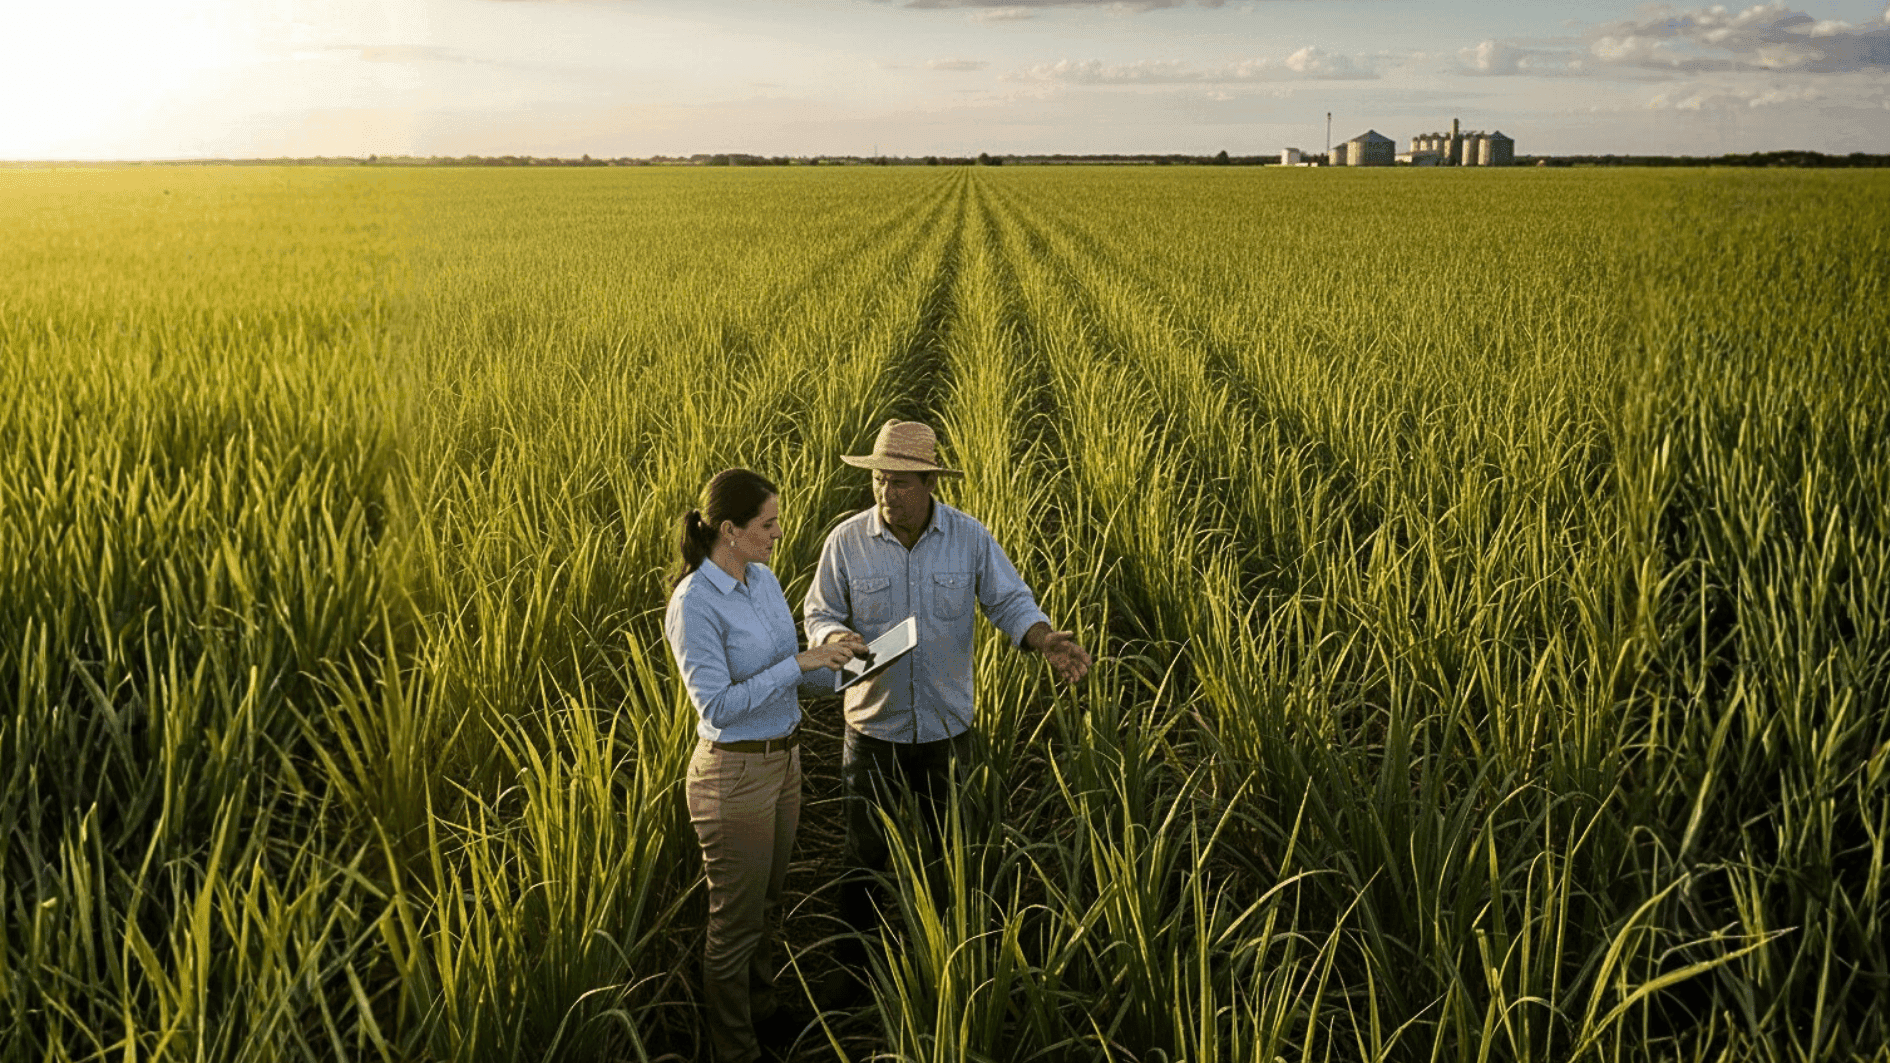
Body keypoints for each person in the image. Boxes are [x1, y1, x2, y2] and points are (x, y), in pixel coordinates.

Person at [802, 420, 1092, 1003]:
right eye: (879, 481)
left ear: (930, 482)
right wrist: (835, 636)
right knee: (863, 854)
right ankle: (852, 979)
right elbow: (820, 611)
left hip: (946, 731)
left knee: (952, 851)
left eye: (901, 484)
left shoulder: (968, 537)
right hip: (872, 728)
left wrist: (1043, 640)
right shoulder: (846, 541)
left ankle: (953, 968)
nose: (886, 494)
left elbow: (1007, 599)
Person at [664, 468, 857, 1063]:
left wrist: (845, 666)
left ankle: (763, 1008)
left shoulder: (765, 580)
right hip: (733, 776)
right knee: (734, 926)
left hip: (784, 761)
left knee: (769, 904)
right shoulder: (693, 603)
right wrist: (802, 663)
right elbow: (718, 706)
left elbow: (792, 678)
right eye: (767, 524)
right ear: (729, 530)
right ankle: (735, 1048)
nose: (778, 533)